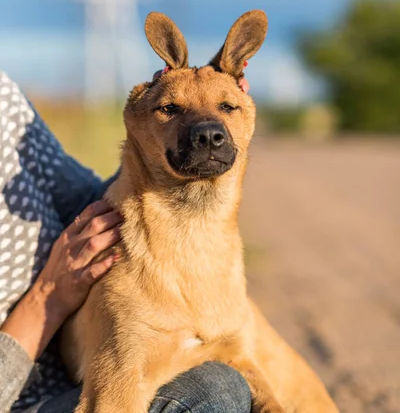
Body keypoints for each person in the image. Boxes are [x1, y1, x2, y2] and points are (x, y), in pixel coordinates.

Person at [0, 71, 252, 413]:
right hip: (21, 401)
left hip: (72, 376)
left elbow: (89, 196)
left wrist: (161, 110)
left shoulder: (3, 98)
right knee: (212, 392)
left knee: (221, 379)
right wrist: (48, 298)